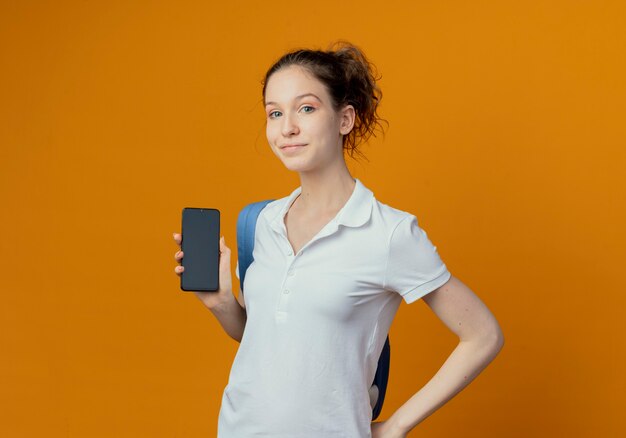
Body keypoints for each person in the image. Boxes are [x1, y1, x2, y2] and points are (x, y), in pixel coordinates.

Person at [172, 41, 504, 438]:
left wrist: (397, 425)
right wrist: (223, 304)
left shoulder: (388, 233)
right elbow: (273, 342)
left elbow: (483, 335)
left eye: (306, 108)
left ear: (344, 119)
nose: (287, 127)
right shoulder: (261, 221)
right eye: (274, 113)